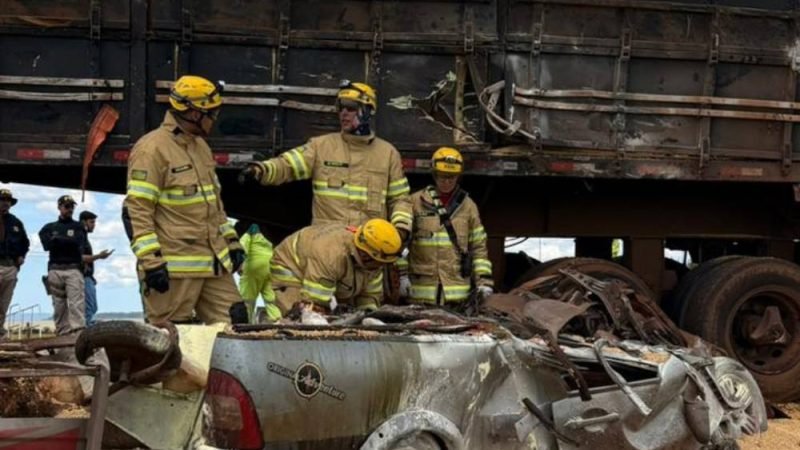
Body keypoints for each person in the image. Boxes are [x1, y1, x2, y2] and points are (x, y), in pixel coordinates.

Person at [122, 75, 245, 324]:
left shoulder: (201, 148)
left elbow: (215, 207)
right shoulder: (152, 149)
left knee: (237, 325)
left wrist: (232, 243)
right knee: (172, 337)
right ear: (194, 113)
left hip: (214, 263)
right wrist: (151, 262)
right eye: (212, 113)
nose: (215, 119)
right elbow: (137, 210)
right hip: (173, 271)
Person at [238, 81, 413, 241]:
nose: (344, 113)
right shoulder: (321, 147)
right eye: (340, 107)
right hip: (326, 245)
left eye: (351, 108)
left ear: (368, 111)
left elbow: (400, 199)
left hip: (368, 248)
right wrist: (261, 170)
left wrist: (401, 230)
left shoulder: (387, 154)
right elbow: (287, 165)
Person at [400, 147, 494, 305]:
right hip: (421, 293)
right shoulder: (415, 203)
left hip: (457, 297)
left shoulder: (468, 206)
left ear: (458, 177)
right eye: (442, 176)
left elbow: (479, 248)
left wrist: (484, 282)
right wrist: (402, 276)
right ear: (434, 174)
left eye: (451, 177)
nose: (447, 181)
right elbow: (402, 244)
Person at [269, 218, 401, 318]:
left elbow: (369, 297)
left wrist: (368, 317)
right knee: (299, 319)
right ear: (366, 255)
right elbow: (315, 302)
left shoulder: (375, 261)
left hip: (321, 268)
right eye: (379, 262)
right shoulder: (331, 255)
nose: (382, 266)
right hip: (290, 268)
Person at [39, 195, 88, 335]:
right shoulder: (49, 227)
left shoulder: (78, 226)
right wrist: (65, 240)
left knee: (76, 303)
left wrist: (57, 240)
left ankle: (78, 333)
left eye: (72, 207)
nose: (70, 209)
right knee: (58, 305)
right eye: (66, 206)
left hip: (73, 268)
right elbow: (47, 245)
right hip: (55, 269)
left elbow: (78, 243)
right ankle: (62, 333)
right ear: (59, 207)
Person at [0, 189, 29, 340]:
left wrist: (21, 256)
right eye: (2, 200)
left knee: (4, 302)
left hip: (10, 266)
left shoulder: (15, 222)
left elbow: (25, 243)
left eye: (8, 200)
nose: (5, 203)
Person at [79, 210, 113, 326]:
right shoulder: (80, 237)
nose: (94, 225)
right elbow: (80, 257)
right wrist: (99, 256)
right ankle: (87, 330)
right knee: (89, 307)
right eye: (91, 222)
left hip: (87, 276)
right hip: (83, 277)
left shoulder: (83, 237)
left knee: (92, 306)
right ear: (84, 222)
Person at [237, 223, 276, 323]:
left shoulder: (251, 229)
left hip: (253, 266)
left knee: (247, 298)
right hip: (269, 267)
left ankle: (246, 321)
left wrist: (240, 263)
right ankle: (276, 319)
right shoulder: (268, 235)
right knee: (270, 297)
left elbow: (243, 245)